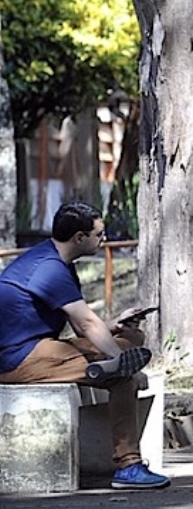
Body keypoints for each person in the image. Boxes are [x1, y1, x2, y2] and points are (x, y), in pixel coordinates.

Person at [0, 202, 169, 489]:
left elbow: (82, 323)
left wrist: (115, 325)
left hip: (36, 347)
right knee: (121, 376)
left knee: (131, 339)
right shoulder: (50, 268)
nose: (104, 240)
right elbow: (86, 325)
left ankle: (105, 366)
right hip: (16, 359)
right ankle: (128, 466)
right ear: (80, 238)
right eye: (99, 235)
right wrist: (119, 361)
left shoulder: (53, 260)